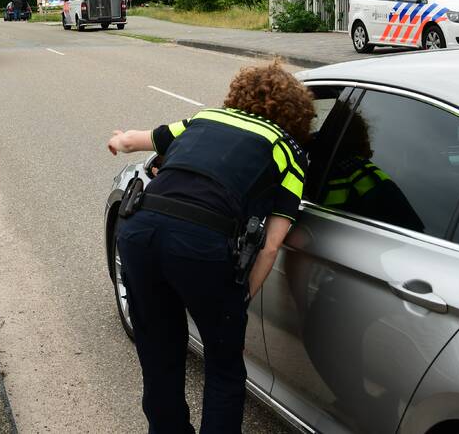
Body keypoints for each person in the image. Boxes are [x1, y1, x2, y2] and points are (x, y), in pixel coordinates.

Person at [107, 61, 314, 433]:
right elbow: (271, 245)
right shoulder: (289, 151)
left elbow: (139, 141)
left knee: (160, 356)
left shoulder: (206, 119)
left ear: (239, 94)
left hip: (139, 231)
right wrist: (241, 297)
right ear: (296, 112)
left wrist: (119, 140)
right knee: (223, 367)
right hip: (199, 244)